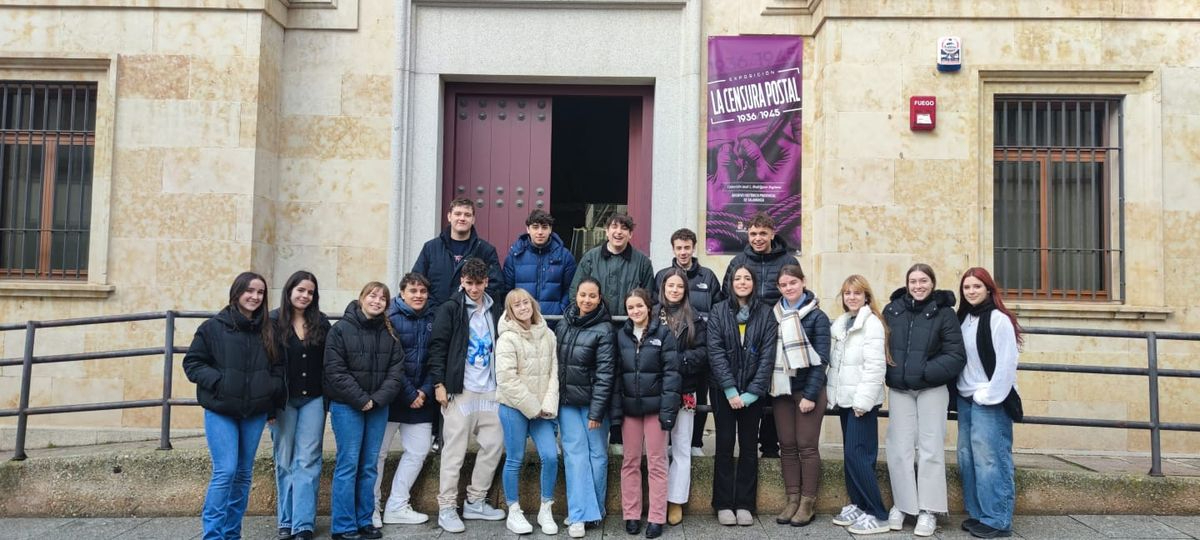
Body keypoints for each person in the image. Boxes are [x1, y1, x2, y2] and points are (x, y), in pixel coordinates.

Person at [184, 272, 284, 540]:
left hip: (254, 412)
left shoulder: (269, 329)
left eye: (260, 292)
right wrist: (220, 382)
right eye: (249, 290)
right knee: (225, 471)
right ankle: (213, 535)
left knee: (242, 474)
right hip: (221, 409)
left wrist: (271, 394)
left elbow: (278, 368)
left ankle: (232, 534)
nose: (255, 296)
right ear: (237, 292)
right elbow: (193, 363)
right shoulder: (213, 327)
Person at [883, 263, 966, 537]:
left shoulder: (945, 313)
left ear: (932, 283)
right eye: (913, 281)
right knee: (899, 447)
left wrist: (923, 373)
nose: (918, 286)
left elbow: (955, 355)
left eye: (923, 281)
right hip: (900, 389)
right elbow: (880, 346)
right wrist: (895, 373)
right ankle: (904, 505)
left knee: (930, 447)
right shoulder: (893, 310)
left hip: (931, 388)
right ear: (907, 284)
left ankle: (929, 510)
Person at [428, 258, 507, 534]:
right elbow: (437, 346)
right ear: (462, 281)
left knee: (494, 444)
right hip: (460, 390)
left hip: (490, 389)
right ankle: (447, 507)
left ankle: (475, 500)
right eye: (469, 283)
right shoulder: (451, 308)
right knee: (454, 451)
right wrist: (439, 383)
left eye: (479, 283)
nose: (474, 288)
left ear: (486, 281)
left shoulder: (496, 306)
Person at [325, 282, 409, 540]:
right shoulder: (340, 330)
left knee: (369, 466)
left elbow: (396, 372)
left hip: (377, 407)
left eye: (382, 297)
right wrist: (361, 399)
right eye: (372, 296)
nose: (377, 300)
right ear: (361, 298)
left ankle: (364, 520)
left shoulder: (389, 332)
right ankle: (343, 525)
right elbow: (335, 370)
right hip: (347, 406)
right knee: (348, 464)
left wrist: (377, 400)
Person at [721, 212, 799, 458]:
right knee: (748, 383)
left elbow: (795, 292)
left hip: (778, 332)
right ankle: (746, 443)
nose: (757, 238)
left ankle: (769, 445)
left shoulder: (788, 261)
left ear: (773, 233)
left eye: (763, 233)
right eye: (753, 233)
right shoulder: (738, 261)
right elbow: (726, 295)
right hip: (744, 334)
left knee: (771, 388)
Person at [707, 265, 778, 527]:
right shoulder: (718, 311)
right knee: (724, 445)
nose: (742, 282)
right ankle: (723, 503)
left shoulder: (766, 314)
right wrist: (729, 390)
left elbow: (768, 357)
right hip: (722, 391)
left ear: (754, 282)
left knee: (749, 447)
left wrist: (750, 394)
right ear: (730, 282)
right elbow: (714, 351)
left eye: (747, 278)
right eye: (738, 278)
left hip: (752, 393)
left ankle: (745, 504)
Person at [956, 267, 1021, 539]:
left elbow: (1006, 364)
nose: (971, 291)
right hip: (966, 397)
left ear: (989, 289)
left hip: (989, 400)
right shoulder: (963, 319)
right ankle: (979, 514)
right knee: (967, 458)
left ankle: (997, 518)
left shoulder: (998, 319)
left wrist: (988, 396)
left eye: (977, 287)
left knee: (990, 459)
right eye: (967, 287)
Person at [613, 288, 681, 539]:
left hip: (655, 410)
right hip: (630, 410)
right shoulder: (621, 336)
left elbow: (672, 375)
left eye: (639, 306)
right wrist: (617, 411)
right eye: (630, 307)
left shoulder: (663, 334)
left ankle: (656, 517)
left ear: (648, 307)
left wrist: (667, 411)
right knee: (630, 461)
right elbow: (617, 376)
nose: (635, 311)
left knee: (657, 462)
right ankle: (631, 514)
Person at [826, 275, 890, 536]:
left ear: (867, 297)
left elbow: (876, 367)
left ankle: (878, 513)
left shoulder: (872, 324)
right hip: (845, 400)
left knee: (860, 456)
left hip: (860, 403)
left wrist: (862, 402)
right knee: (850, 456)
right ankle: (860, 505)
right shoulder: (843, 324)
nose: (851, 297)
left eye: (856, 293)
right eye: (847, 293)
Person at [269, 271, 331, 540]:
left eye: (310, 292)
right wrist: (268, 406)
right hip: (283, 401)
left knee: (308, 460)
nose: (305, 296)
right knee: (284, 460)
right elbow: (266, 365)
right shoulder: (271, 322)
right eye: (301, 290)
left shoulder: (321, 323)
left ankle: (303, 524)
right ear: (289, 290)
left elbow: (329, 362)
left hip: (313, 399)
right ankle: (286, 521)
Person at [373, 273, 438, 527]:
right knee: (377, 454)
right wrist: (409, 393)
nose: (418, 295)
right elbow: (390, 361)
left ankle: (397, 505)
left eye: (423, 291)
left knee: (418, 451)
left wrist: (425, 391)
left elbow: (438, 358)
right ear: (402, 293)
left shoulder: (434, 318)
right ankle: (371, 507)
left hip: (422, 399)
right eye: (413, 290)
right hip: (392, 397)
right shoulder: (388, 319)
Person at [495, 288, 561, 535]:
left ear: (533, 304)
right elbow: (506, 379)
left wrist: (547, 406)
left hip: (542, 410)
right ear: (510, 311)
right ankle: (514, 510)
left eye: (526, 302)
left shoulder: (548, 335)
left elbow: (555, 372)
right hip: (514, 408)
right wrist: (532, 407)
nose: (523, 307)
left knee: (551, 456)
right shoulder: (507, 338)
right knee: (515, 458)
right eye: (516, 305)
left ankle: (546, 508)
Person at [768, 264, 830, 527]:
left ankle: (807, 501)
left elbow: (822, 360)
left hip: (807, 389)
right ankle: (792, 498)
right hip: (781, 388)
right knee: (788, 446)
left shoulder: (817, 316)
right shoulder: (775, 314)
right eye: (783, 285)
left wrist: (812, 394)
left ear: (803, 282)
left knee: (806, 445)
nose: (788, 288)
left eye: (792, 283)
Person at [651, 228, 721, 458]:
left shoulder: (708, 276)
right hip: (668, 348)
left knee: (699, 396)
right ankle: (670, 440)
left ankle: (696, 442)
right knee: (669, 394)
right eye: (679, 247)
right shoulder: (662, 275)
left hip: (697, 344)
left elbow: (719, 307)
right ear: (673, 249)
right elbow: (655, 308)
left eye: (687, 247)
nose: (683, 252)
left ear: (694, 247)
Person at [556, 277, 617, 538]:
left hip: (593, 405)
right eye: (583, 295)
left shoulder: (605, 330)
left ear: (600, 298)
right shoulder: (564, 323)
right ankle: (580, 514)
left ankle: (594, 510)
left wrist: (596, 411)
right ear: (576, 295)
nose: (587, 300)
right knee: (575, 456)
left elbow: (606, 375)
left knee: (597, 456)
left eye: (592, 296)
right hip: (567, 402)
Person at [656, 268, 708, 526]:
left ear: (685, 290)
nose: (674, 290)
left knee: (681, 448)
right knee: (657, 449)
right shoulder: (653, 314)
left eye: (679, 286)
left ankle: (675, 500)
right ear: (663, 288)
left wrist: (677, 361)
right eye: (670, 286)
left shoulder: (695, 318)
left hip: (685, 389)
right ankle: (658, 497)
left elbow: (702, 353)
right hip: (657, 391)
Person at [412, 197, 505, 308]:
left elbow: (495, 286)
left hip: (471, 317)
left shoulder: (486, 250)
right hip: (434, 315)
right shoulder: (431, 248)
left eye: (467, 215)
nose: (462, 218)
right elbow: (417, 280)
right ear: (449, 217)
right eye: (457, 214)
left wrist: (471, 305)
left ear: (473, 219)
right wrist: (432, 307)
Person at [568, 212, 654, 317]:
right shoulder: (590, 258)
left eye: (624, 228)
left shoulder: (643, 263)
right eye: (614, 227)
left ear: (630, 234)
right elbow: (575, 292)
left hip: (629, 326)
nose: (619, 232)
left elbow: (648, 298)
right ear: (607, 231)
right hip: (595, 325)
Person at [503, 209, 578, 324]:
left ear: (550, 229)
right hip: (522, 323)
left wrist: (561, 310)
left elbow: (571, 289)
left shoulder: (565, 256)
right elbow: (507, 290)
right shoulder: (515, 256)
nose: (540, 232)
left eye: (544, 227)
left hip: (554, 323)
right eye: (535, 227)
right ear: (528, 229)